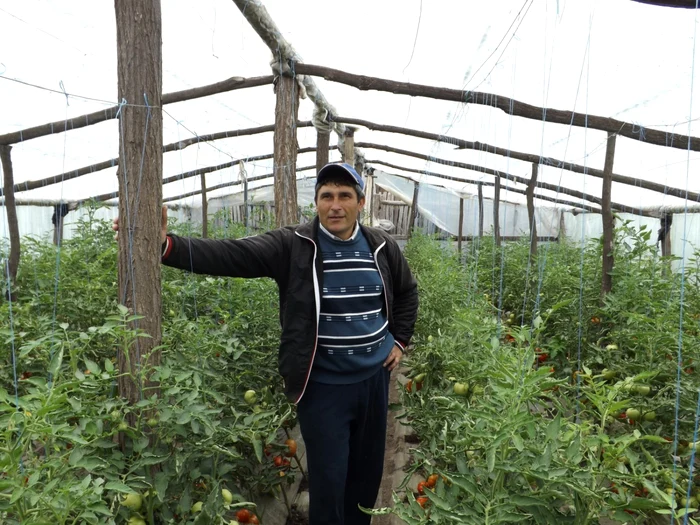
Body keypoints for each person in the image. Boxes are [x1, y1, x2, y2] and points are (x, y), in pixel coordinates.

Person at [114, 162, 418, 525]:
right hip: (322, 387)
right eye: (326, 196)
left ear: (361, 202)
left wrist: (399, 340)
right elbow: (232, 255)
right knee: (329, 481)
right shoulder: (295, 245)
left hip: (373, 382)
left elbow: (406, 292)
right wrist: (167, 246)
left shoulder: (381, 246)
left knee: (365, 478)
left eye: (344, 196)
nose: (335, 205)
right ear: (316, 203)